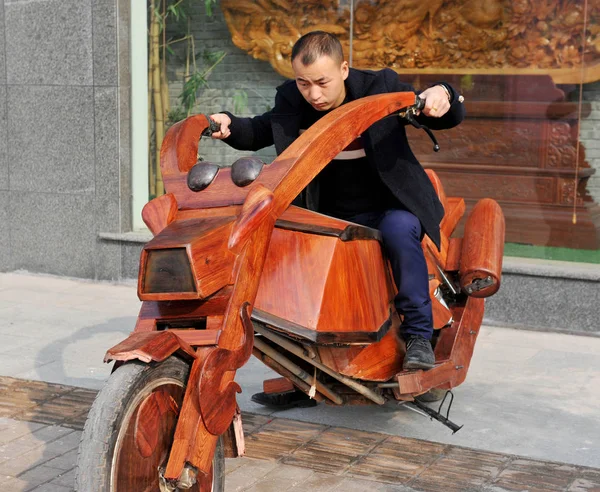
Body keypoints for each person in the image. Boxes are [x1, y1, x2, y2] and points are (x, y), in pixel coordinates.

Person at [209, 31, 465, 407]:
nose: (313, 94)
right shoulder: (291, 99)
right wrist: (229, 124)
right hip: (326, 212)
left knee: (399, 229)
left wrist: (442, 94)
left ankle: (418, 339)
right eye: (304, 82)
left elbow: (440, 111)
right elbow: (262, 129)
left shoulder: (379, 86)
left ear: (343, 69)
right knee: (292, 246)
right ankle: (306, 374)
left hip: (388, 206)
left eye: (322, 82)